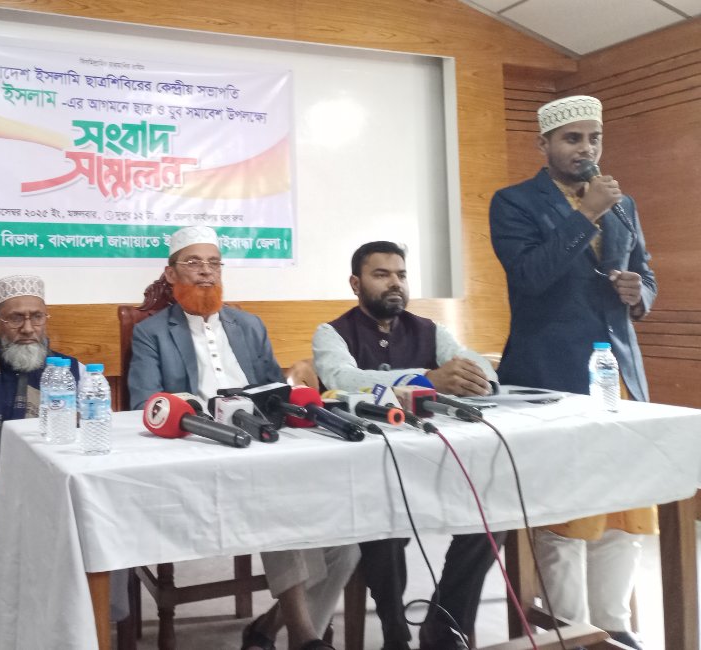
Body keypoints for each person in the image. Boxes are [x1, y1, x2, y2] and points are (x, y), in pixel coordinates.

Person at [129, 225, 358, 650]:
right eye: (193, 263)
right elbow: (147, 403)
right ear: (171, 274)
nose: (206, 272)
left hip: (265, 442)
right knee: (281, 511)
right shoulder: (152, 332)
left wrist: (289, 395)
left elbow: (274, 391)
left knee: (346, 546)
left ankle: (266, 629)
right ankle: (304, 638)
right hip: (202, 450)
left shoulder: (249, 325)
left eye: (214, 263)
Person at [489, 95, 656, 650]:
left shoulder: (622, 203)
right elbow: (530, 276)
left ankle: (614, 625)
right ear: (544, 144)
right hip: (549, 373)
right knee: (566, 507)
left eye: (594, 138)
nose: (586, 149)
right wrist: (585, 215)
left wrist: (638, 293)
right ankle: (570, 630)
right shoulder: (514, 202)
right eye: (572, 139)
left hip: (618, 371)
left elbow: (645, 272)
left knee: (624, 505)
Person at [312, 241, 500, 650]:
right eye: (381, 275)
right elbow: (342, 380)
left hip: (437, 460)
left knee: (494, 513)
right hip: (369, 468)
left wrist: (477, 376)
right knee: (384, 522)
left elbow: (476, 365)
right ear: (356, 284)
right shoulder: (332, 333)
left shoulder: (431, 330)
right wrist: (425, 380)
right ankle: (394, 632)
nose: (394, 283)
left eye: (401, 274)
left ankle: (445, 624)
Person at [0, 274, 127, 642]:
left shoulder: (75, 373)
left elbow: (100, 438)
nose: (28, 329)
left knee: (101, 545)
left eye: (37, 317)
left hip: (60, 505)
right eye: (15, 318)